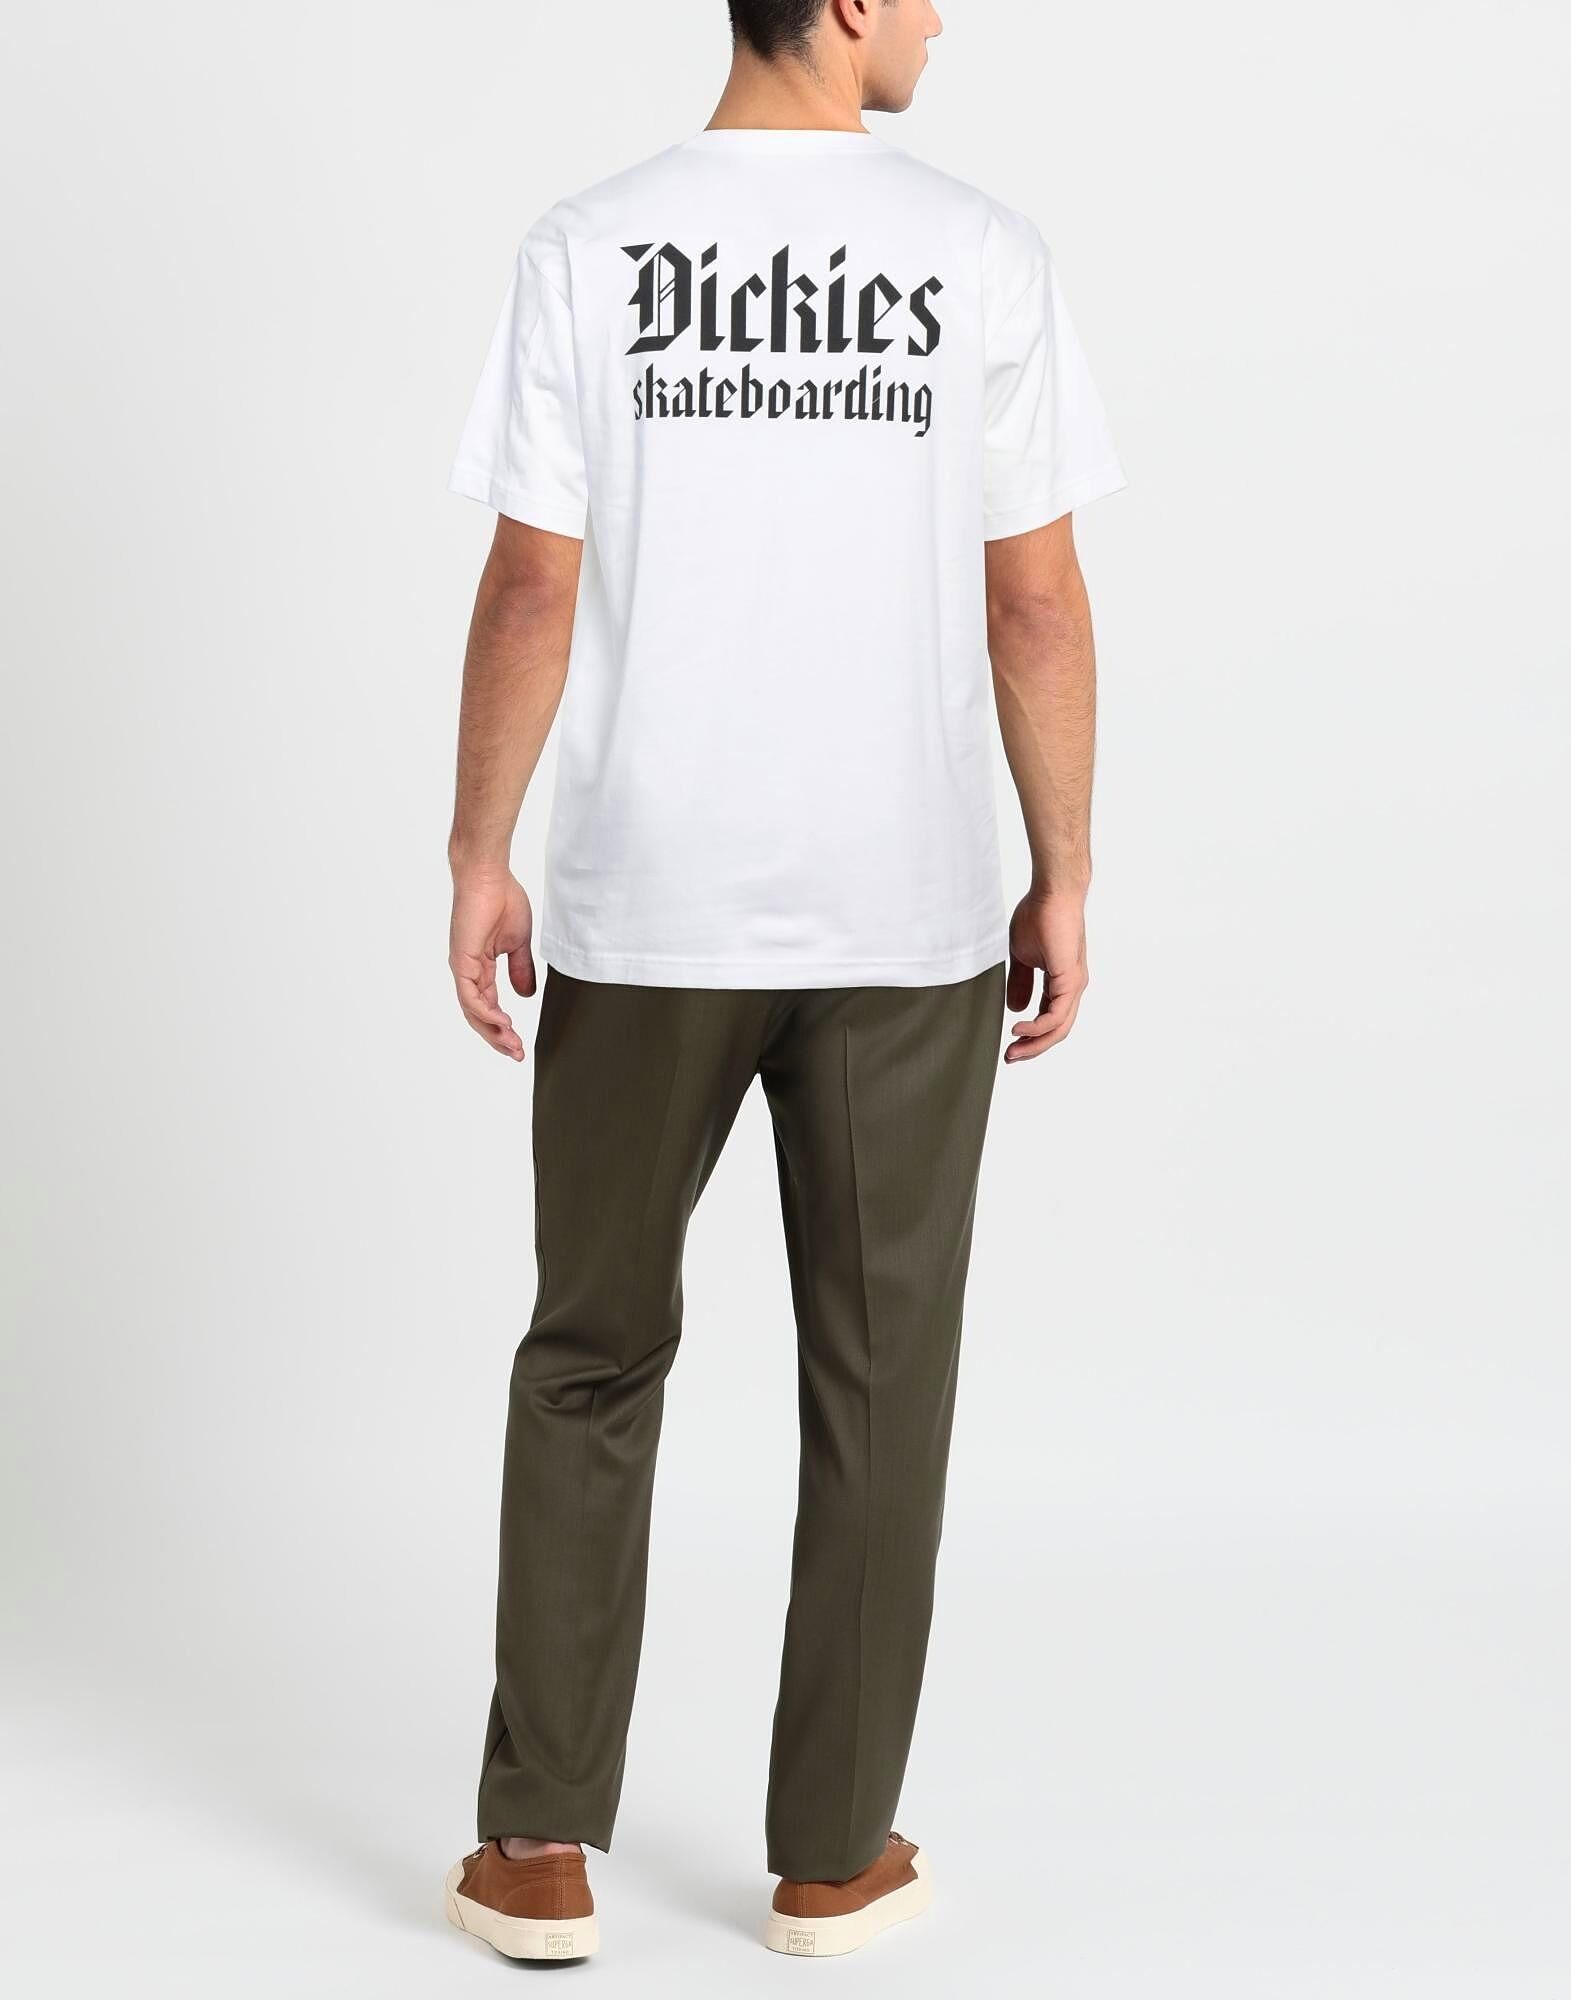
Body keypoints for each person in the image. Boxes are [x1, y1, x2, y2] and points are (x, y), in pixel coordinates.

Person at [441, 0, 1123, 1963]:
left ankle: (538, 1847)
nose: (938, 17)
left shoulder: (591, 246)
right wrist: (1065, 869)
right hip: (903, 912)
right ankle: (832, 1857)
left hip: (649, 903)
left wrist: (480, 848)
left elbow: (534, 579)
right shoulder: (977, 255)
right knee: (884, 1382)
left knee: (591, 1354)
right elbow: (1033, 596)